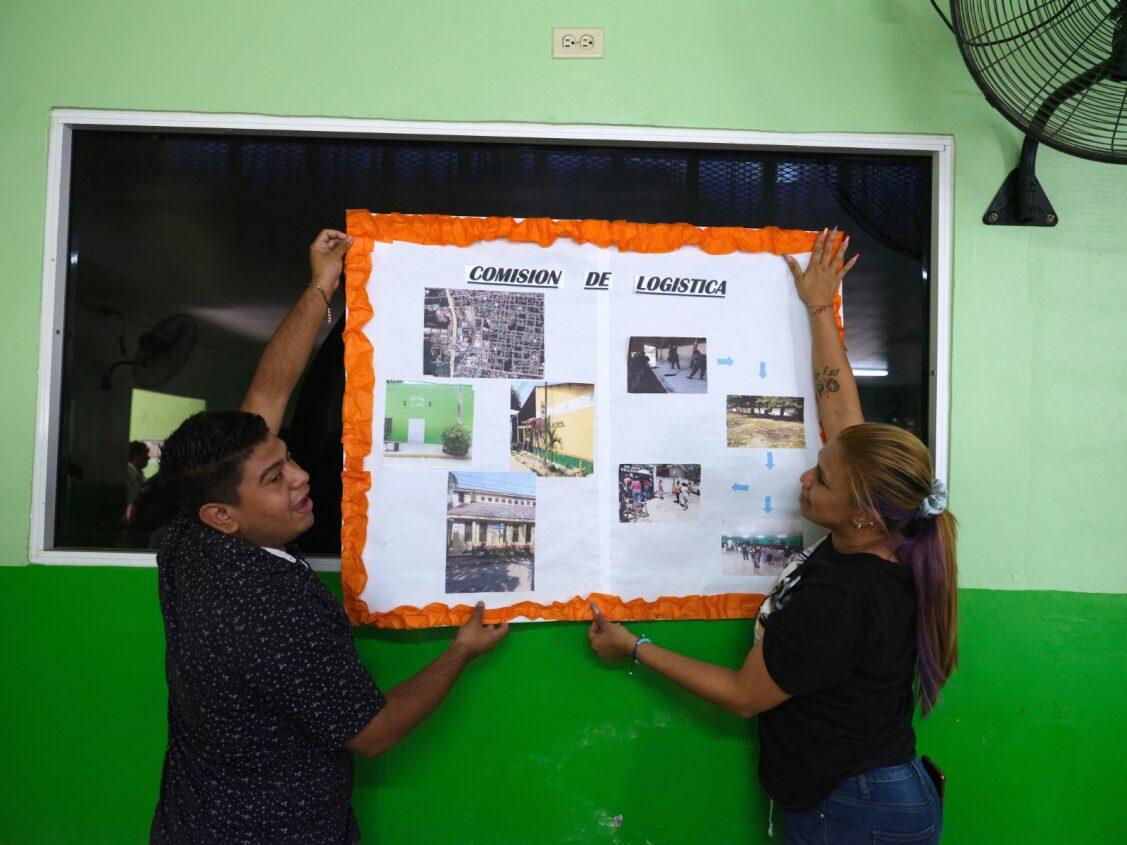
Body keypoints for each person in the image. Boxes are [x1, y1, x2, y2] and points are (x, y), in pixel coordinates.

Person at [588, 228, 954, 844]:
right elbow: (842, 420)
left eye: (823, 480)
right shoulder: (883, 536)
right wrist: (817, 307)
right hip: (864, 794)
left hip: (856, 809)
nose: (806, 477)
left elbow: (743, 695)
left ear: (863, 512)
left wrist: (634, 647)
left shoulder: (841, 600)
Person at [150, 230, 509, 844]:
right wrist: (459, 653)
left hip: (190, 823)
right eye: (274, 477)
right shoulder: (278, 609)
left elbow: (267, 394)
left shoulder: (187, 540)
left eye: (286, 457)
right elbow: (375, 733)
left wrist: (322, 284)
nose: (299, 476)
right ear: (223, 515)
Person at [125, 440, 150, 523]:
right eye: (145, 454)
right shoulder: (128, 473)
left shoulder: (139, 474)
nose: (148, 457)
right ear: (136, 456)